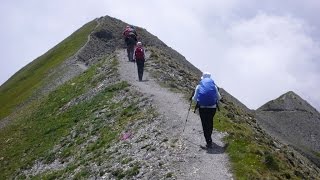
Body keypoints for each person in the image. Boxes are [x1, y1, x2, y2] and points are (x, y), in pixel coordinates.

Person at [192, 72, 221, 148]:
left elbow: (194, 99)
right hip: (212, 108)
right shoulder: (214, 86)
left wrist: (195, 97)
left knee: (204, 124)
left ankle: (208, 141)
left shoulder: (199, 86)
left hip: (202, 108)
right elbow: (219, 98)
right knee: (210, 122)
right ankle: (209, 137)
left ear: (202, 78)